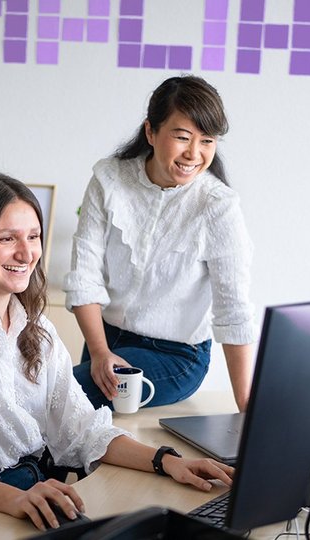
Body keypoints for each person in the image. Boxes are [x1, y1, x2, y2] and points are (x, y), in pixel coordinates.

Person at [0, 173, 234, 531]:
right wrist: (18, 498)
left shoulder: (36, 326)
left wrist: (167, 461)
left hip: (41, 491)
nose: (26, 254)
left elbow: (80, 428)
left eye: (33, 237)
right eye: (7, 239)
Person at [64, 75, 255, 412]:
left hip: (176, 356)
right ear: (150, 132)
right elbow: (84, 277)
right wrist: (99, 351)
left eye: (207, 141)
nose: (194, 154)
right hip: (105, 339)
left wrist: (248, 411)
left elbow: (234, 310)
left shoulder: (219, 206)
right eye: (182, 137)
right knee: (67, 415)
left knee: (62, 399)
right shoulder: (109, 180)